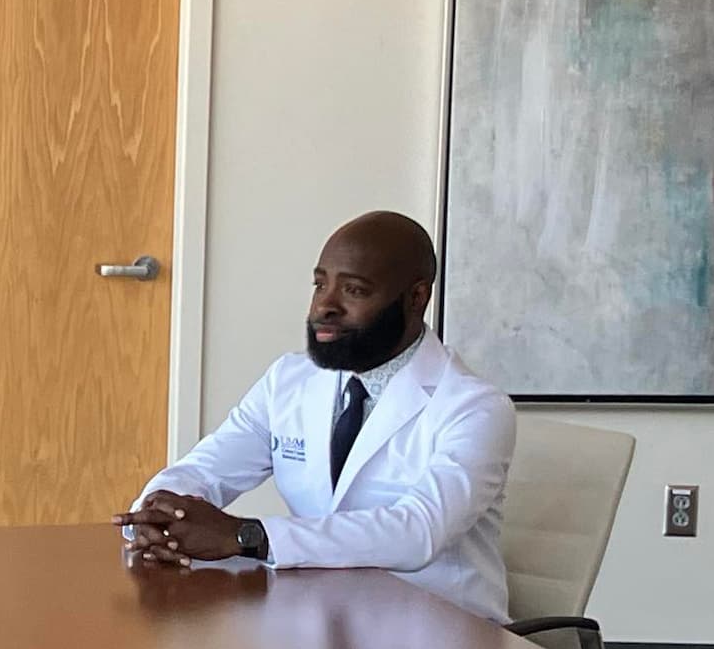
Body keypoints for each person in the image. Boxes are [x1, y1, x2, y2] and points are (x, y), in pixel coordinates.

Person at [116, 210, 516, 621]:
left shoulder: (474, 407)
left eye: (354, 291)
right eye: (320, 284)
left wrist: (247, 536)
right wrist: (158, 515)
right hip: (320, 622)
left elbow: (418, 531)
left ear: (416, 298)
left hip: (443, 637)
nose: (325, 305)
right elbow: (206, 469)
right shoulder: (288, 380)